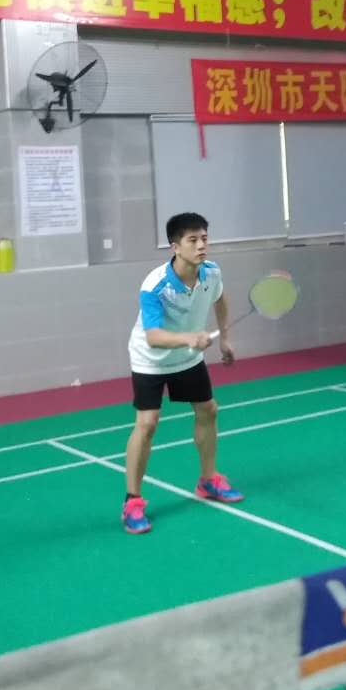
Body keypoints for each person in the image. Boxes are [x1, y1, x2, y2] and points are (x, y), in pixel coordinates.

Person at [122, 212, 242, 534]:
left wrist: (225, 338)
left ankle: (208, 480)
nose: (201, 245)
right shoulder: (155, 286)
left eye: (204, 238)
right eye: (193, 240)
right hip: (150, 359)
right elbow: (153, 336)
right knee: (147, 424)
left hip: (187, 357)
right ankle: (132, 501)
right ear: (175, 247)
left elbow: (220, 299)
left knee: (208, 410)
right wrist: (189, 338)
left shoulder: (211, 272)